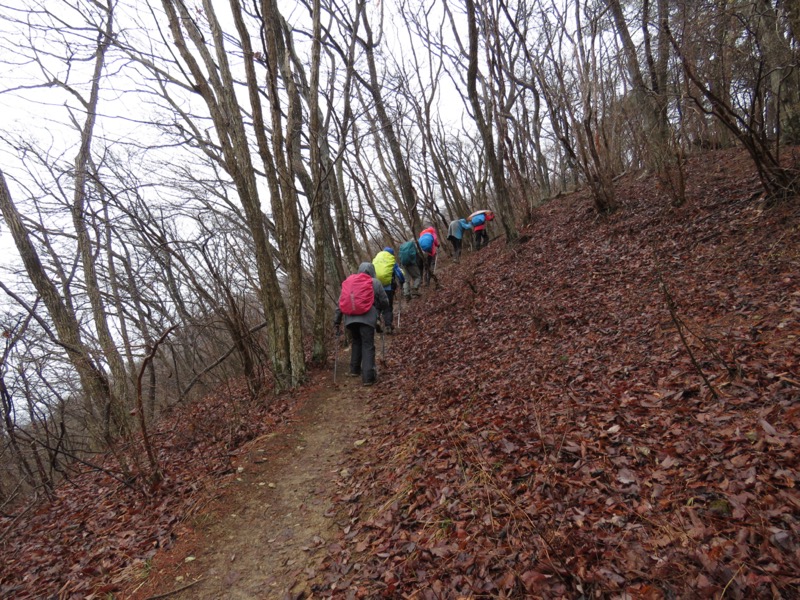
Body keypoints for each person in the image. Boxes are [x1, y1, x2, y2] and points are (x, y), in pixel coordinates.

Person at [333, 262, 389, 386]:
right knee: (368, 345)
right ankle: (368, 377)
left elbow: (340, 303)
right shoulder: (374, 282)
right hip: (367, 319)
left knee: (357, 342)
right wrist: (381, 310)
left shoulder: (350, 283)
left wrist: (336, 321)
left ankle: (354, 370)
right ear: (372, 271)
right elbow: (384, 300)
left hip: (350, 319)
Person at [372, 247, 405, 334]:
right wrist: (402, 281)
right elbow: (399, 273)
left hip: (375, 287)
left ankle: (377, 319)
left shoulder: (376, 259)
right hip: (388, 288)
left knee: (378, 306)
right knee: (387, 307)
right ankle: (388, 326)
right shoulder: (391, 259)